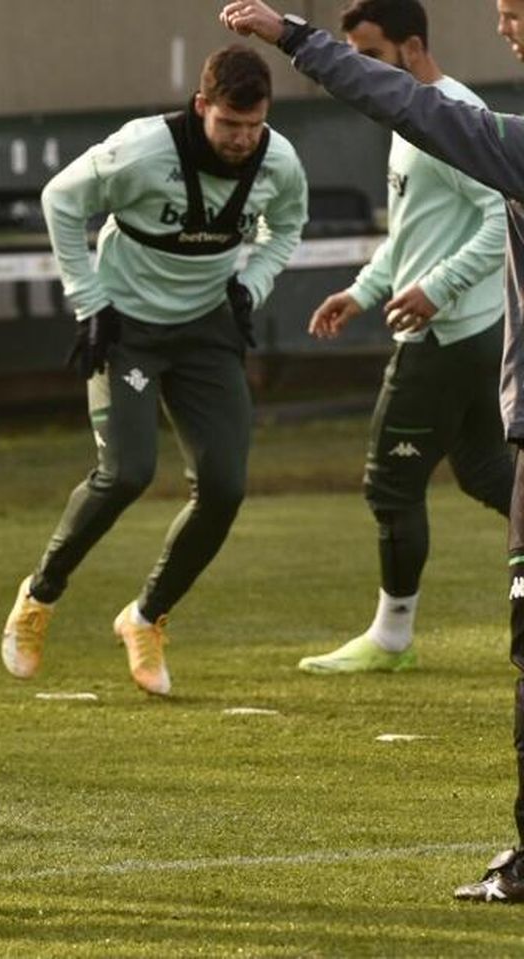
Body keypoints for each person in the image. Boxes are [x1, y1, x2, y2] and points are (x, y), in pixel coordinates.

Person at [219, 0, 524, 902]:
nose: (506, 27)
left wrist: (297, 38)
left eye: (515, 11)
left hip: (458, 345)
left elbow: (403, 104)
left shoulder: (486, 129)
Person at [0, 46, 308, 696]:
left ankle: (145, 615)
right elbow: (60, 199)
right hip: (128, 330)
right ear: (202, 108)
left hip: (206, 333)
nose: (242, 140)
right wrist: (90, 302)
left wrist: (250, 287)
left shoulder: (277, 160)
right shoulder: (142, 150)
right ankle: (40, 594)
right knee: (128, 472)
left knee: (224, 487)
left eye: (254, 126)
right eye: (230, 125)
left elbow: (288, 226)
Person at [296, 0, 511, 676]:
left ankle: (391, 637)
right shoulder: (407, 120)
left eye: (368, 53)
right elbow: (413, 235)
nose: (357, 67)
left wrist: (438, 288)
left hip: (449, 335)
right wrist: (362, 292)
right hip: (470, 331)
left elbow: (501, 220)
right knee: (486, 472)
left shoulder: (451, 118)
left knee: (390, 482)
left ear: (411, 46)